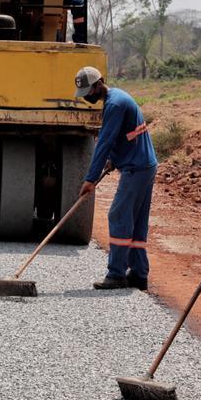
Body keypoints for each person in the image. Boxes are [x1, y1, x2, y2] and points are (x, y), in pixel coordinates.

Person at [74, 66, 157, 290]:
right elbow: (124, 137)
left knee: (118, 215)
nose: (88, 98)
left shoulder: (114, 105)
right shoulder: (117, 98)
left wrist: (90, 179)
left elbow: (104, 143)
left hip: (137, 168)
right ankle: (139, 274)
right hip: (143, 165)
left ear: (99, 84)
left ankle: (116, 274)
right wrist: (115, 159)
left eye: (89, 92)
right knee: (137, 221)